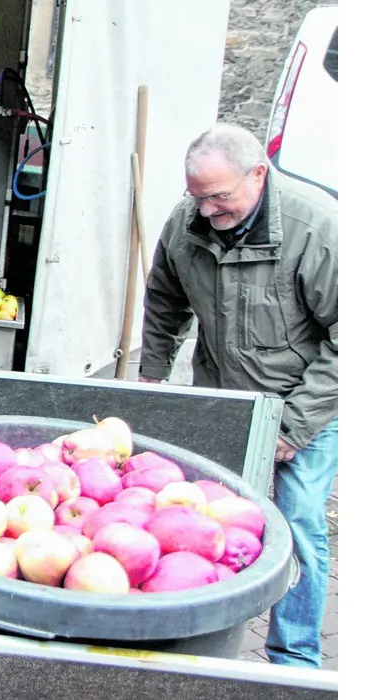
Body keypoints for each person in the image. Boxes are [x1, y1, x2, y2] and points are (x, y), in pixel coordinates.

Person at [138, 123, 337, 668]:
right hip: (224, 396)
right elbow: (164, 300)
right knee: (211, 521)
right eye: (197, 196)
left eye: (219, 197)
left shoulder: (314, 228)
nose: (206, 211)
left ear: (258, 174)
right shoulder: (188, 223)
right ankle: (206, 645)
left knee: (295, 524)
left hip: (307, 400)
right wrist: (151, 378)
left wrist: (295, 427)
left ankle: (294, 659)